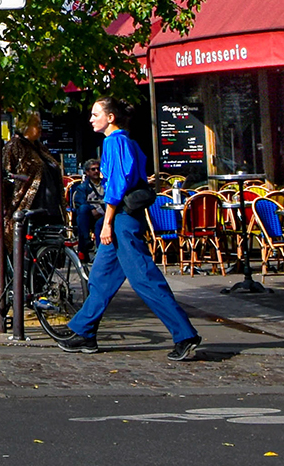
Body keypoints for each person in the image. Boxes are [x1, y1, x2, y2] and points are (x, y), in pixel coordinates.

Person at [56, 97, 203, 361]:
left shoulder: (114, 142)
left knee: (144, 278)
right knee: (101, 278)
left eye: (95, 114)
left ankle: (185, 334)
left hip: (121, 220)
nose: (90, 119)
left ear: (110, 118)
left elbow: (117, 186)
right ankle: (84, 332)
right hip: (123, 219)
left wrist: (108, 222)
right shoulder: (128, 141)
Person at [2, 113, 61, 223]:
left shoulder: (40, 147)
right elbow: (6, 175)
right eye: (36, 124)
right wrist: (3, 205)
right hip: (29, 206)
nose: (40, 127)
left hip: (50, 206)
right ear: (25, 126)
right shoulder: (14, 146)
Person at [69, 159, 103, 259]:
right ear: (87, 172)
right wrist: (92, 209)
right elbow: (79, 202)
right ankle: (86, 241)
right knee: (83, 210)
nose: (96, 171)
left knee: (85, 220)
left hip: (105, 214)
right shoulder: (82, 187)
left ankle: (86, 248)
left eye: (98, 169)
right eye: (93, 169)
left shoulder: (106, 185)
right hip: (89, 216)